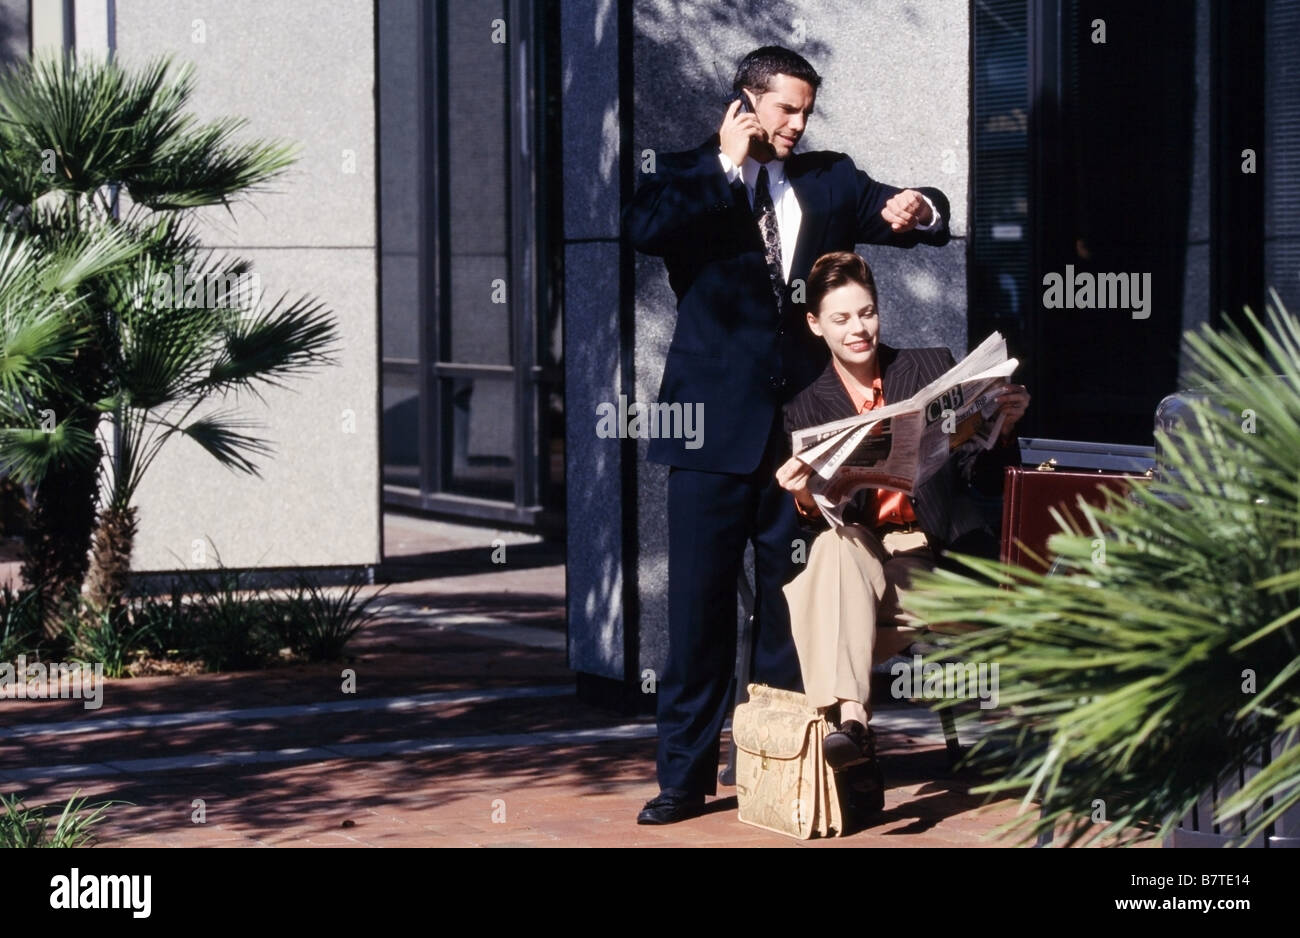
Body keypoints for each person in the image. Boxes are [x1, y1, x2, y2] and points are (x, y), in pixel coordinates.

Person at [623, 45, 953, 825]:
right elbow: (644, 228)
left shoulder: (827, 176)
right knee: (699, 610)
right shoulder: (683, 173)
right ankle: (684, 777)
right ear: (746, 102)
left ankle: (781, 763)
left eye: (807, 111)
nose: (798, 125)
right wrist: (722, 165)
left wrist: (921, 205)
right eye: (785, 110)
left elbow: (909, 216)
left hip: (801, 435)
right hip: (707, 430)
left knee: (787, 607)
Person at [775, 251, 1030, 807]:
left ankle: (852, 726)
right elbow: (826, 511)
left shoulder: (927, 366)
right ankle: (855, 721)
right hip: (865, 545)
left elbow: (977, 477)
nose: (858, 329)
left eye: (866, 313)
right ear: (815, 324)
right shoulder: (805, 408)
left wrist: (1002, 425)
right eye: (840, 319)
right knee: (834, 549)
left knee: (823, 591)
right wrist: (800, 490)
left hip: (932, 546)